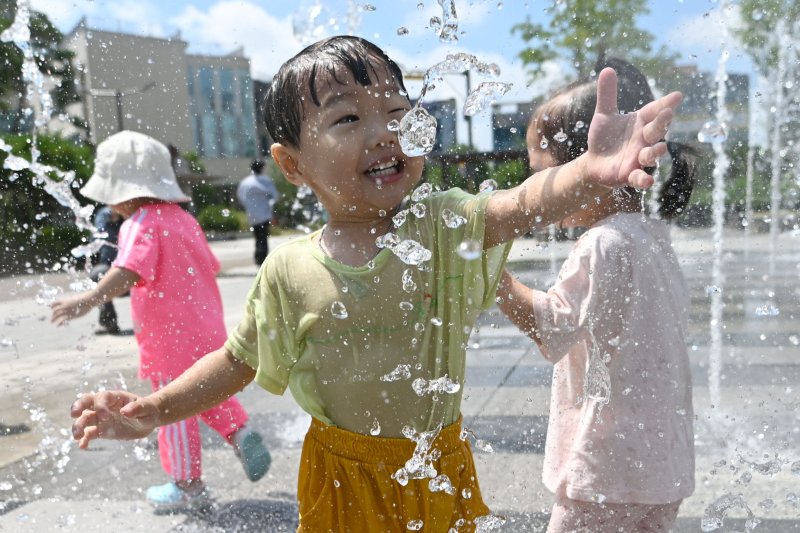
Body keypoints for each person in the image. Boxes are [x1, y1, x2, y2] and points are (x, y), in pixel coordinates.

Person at [69, 37, 681, 532]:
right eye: (348, 117)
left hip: (436, 464)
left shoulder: (441, 224)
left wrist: (587, 173)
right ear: (293, 164)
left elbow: (522, 202)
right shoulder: (290, 270)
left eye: (396, 111)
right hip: (340, 476)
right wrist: (152, 409)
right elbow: (237, 360)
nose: (384, 130)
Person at [496, 57, 698, 533]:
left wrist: (496, 281)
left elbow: (554, 329)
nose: (536, 191)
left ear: (581, 168)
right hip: (662, 467)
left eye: (540, 175)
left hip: (606, 469)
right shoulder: (653, 238)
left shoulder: (601, 243)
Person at [52, 130, 272, 513]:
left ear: (121, 191)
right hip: (207, 330)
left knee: (168, 410)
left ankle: (187, 486)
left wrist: (89, 299)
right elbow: (211, 265)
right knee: (206, 390)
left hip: (169, 339)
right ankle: (241, 433)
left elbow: (128, 269)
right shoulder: (184, 220)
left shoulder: (140, 223)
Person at [237, 159, 280, 264]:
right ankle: (262, 257)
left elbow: (240, 197)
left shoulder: (245, 182)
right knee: (263, 236)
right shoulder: (265, 181)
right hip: (264, 214)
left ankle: (258, 256)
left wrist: (249, 206)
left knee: (258, 236)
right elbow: (275, 196)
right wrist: (269, 205)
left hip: (252, 214)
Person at [89, 205, 124, 335]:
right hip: (109, 265)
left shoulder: (131, 217)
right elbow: (98, 236)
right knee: (98, 275)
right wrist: (113, 220)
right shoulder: (104, 215)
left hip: (130, 265)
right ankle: (109, 322)